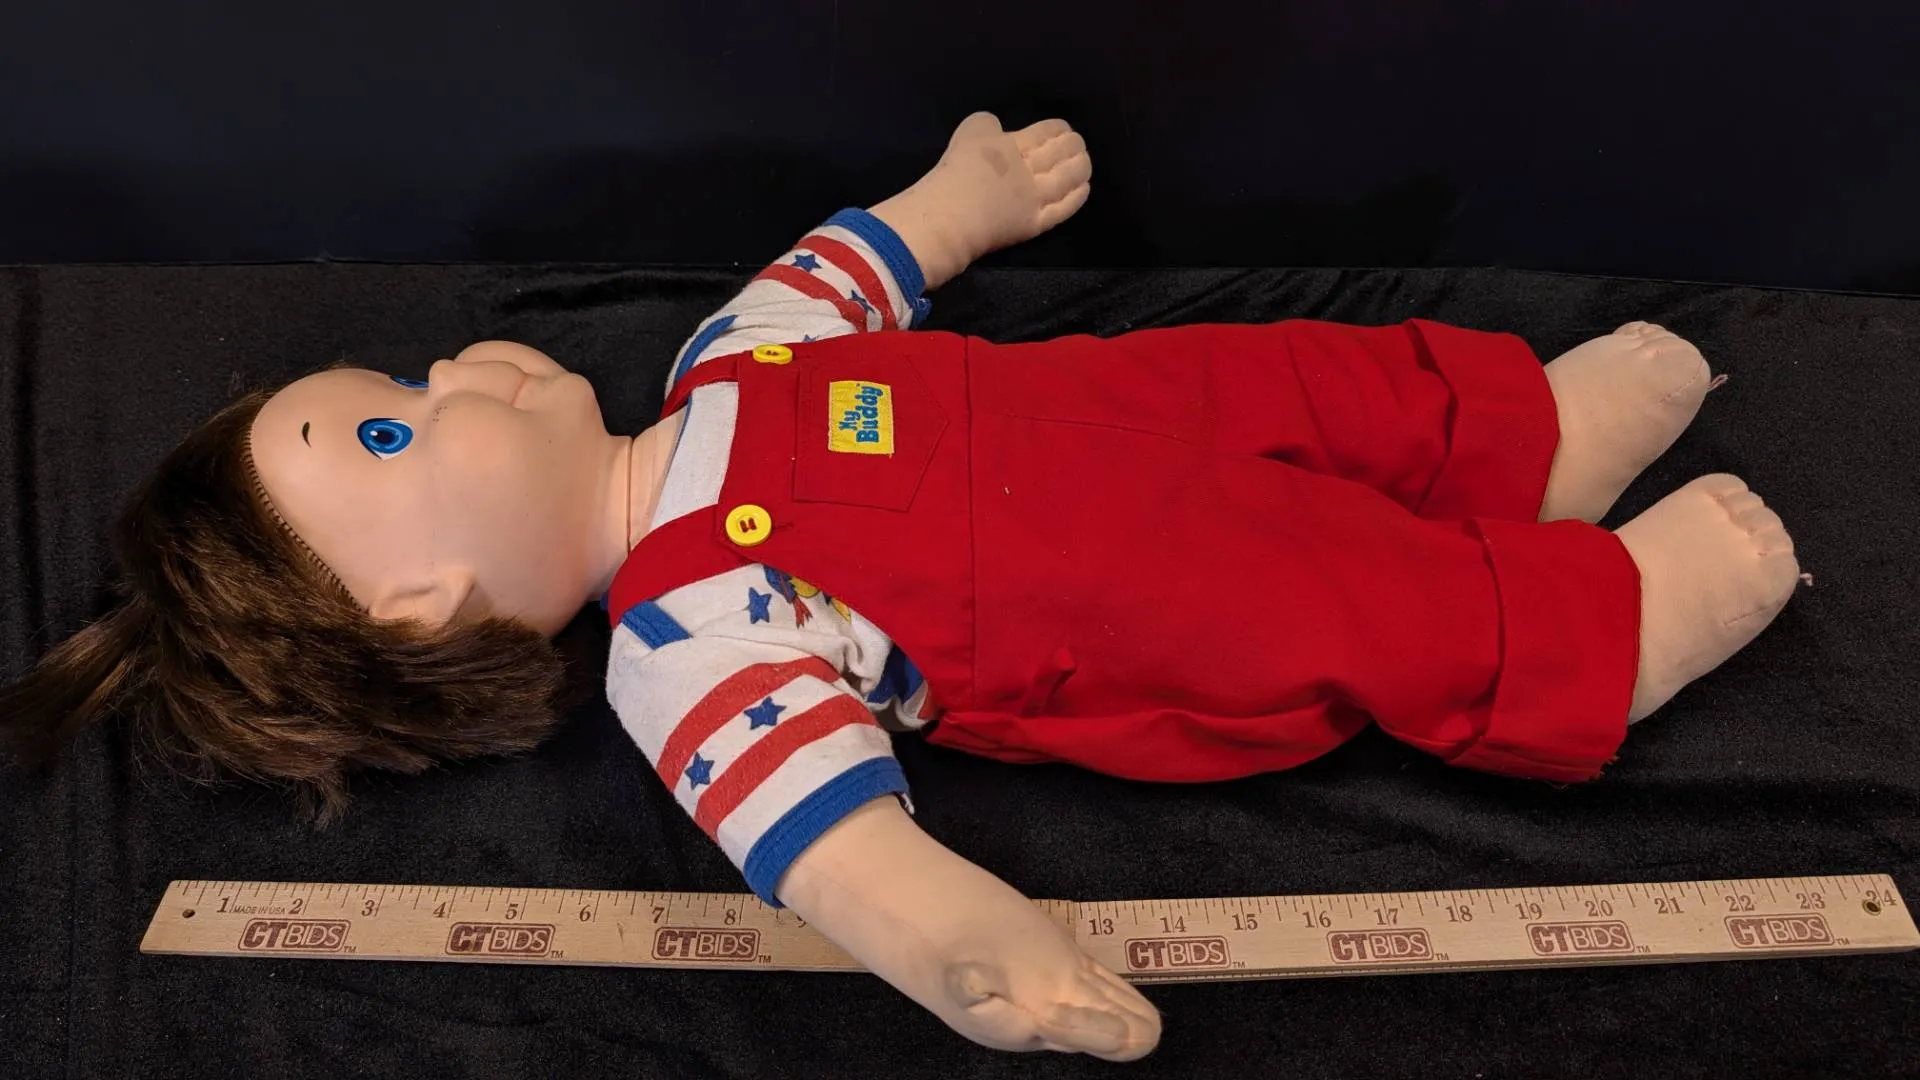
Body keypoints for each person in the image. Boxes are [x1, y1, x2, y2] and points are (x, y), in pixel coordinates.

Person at [0, 113, 1800, 1060]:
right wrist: (956, 944)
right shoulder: (681, 643)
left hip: (1138, 411)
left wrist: (958, 201)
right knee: (1317, 599)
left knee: (1296, 379)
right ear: (420, 607)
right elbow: (823, 837)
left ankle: (1514, 446)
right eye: (398, 429)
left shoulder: (719, 365)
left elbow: (841, 275)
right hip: (1131, 591)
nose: (456, 365)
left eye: (396, 378)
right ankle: (1583, 634)